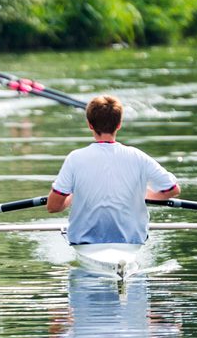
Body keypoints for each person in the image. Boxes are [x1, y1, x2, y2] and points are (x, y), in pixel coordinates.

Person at [47, 95, 179, 246]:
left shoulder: (75, 158)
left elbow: (53, 207)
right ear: (119, 124)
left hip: (85, 244)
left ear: (90, 125)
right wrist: (142, 194)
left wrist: (73, 196)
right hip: (132, 242)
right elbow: (172, 189)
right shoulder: (138, 156)